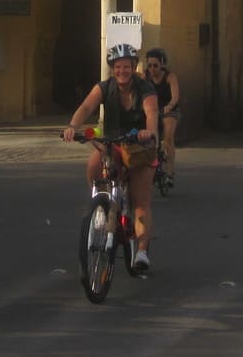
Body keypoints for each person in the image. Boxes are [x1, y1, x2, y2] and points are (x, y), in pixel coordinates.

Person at [62, 44, 160, 272]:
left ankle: (142, 251)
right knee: (94, 166)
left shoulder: (145, 88)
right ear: (112, 69)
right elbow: (86, 106)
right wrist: (72, 126)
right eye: (117, 67)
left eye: (126, 66)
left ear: (134, 67)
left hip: (139, 147)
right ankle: (101, 206)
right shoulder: (105, 87)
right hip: (113, 143)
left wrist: (149, 131)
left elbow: (151, 113)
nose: (122, 71)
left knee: (140, 200)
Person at [143, 47, 181, 182]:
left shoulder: (170, 77)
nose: (152, 69)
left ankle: (170, 171)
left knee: (168, 138)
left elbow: (175, 96)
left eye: (155, 65)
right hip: (151, 110)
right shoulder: (145, 76)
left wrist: (169, 106)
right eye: (149, 65)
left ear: (162, 64)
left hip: (168, 110)